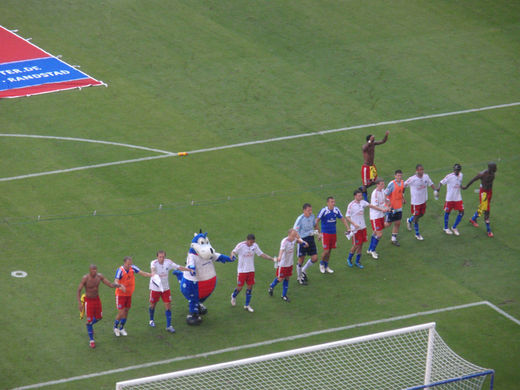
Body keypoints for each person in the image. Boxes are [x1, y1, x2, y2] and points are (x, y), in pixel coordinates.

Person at [77, 264, 124, 348]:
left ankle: (89, 324)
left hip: (97, 300)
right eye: (93, 270)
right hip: (89, 301)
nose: (94, 271)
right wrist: (79, 303)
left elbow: (109, 284)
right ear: (90, 270)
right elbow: (79, 290)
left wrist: (119, 285)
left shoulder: (99, 277)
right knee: (90, 320)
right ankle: (91, 340)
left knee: (99, 317)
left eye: (96, 269)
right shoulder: (85, 278)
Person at [230, 234, 276, 312]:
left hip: (251, 270)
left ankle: (247, 305)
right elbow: (233, 252)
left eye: (253, 242)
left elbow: (261, 254)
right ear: (247, 240)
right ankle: (233, 296)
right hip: (242, 271)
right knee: (240, 287)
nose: (252, 243)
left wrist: (271, 259)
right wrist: (232, 256)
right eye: (251, 242)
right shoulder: (241, 245)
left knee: (250, 287)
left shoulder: (255, 246)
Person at [149, 251, 192, 332]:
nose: (161, 258)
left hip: (165, 288)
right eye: (160, 257)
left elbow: (178, 267)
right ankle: (151, 320)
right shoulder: (154, 263)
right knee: (153, 305)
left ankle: (169, 326)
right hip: (155, 288)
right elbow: (153, 269)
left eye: (163, 257)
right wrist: (153, 273)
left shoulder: (168, 262)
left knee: (168, 305)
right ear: (157, 257)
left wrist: (189, 270)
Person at [345, 189, 388, 268]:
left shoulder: (363, 202)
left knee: (361, 244)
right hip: (356, 229)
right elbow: (347, 216)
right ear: (355, 196)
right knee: (356, 245)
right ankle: (349, 258)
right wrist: (354, 224)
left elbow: (371, 206)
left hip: (363, 227)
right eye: (359, 196)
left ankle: (357, 261)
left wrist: (382, 209)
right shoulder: (351, 205)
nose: (361, 197)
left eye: (361, 195)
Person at [113, 256, 152, 336]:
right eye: (128, 263)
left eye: (130, 263)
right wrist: (120, 285)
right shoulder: (120, 270)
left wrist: (152, 275)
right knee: (121, 312)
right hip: (120, 295)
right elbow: (115, 281)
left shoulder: (132, 268)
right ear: (124, 263)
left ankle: (122, 328)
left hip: (129, 294)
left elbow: (143, 273)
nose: (130, 265)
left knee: (126, 311)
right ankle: (115, 327)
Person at [268, 228, 307, 302]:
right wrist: (279, 257)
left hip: (290, 263)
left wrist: (304, 243)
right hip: (283, 264)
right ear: (289, 235)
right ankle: (271, 286)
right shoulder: (284, 241)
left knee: (287, 278)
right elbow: (281, 250)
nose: (294, 237)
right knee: (280, 279)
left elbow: (299, 241)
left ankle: (284, 295)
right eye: (293, 235)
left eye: (295, 235)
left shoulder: (294, 239)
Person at [315, 196, 350, 274]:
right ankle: (321, 264)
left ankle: (326, 266)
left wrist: (348, 228)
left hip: (333, 233)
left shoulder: (336, 210)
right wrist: (319, 233)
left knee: (330, 250)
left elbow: (343, 219)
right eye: (332, 202)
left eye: (334, 202)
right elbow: (316, 221)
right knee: (326, 251)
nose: (333, 203)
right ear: (328, 203)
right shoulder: (324, 211)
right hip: (325, 234)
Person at [462, 162, 497, 237]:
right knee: (487, 211)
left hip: (489, 192)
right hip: (484, 193)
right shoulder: (482, 174)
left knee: (483, 207)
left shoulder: (493, 174)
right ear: (491, 168)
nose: (496, 169)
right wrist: (466, 187)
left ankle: (473, 219)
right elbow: (473, 180)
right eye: (495, 167)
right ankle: (489, 230)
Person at [404, 164, 436, 240]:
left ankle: (409, 220)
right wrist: (402, 195)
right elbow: (404, 185)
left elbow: (431, 183)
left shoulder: (426, 176)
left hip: (423, 200)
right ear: (417, 171)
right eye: (420, 170)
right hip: (416, 202)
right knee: (416, 217)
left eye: (422, 169)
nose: (422, 171)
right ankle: (417, 234)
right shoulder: (412, 179)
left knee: (421, 214)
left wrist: (435, 190)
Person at [293, 203, 319, 285]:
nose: (310, 212)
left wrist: (319, 234)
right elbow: (295, 232)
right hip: (302, 239)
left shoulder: (312, 216)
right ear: (304, 210)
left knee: (315, 258)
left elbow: (315, 225)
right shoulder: (300, 219)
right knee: (301, 259)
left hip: (311, 238)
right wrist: (301, 241)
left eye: (311, 210)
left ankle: (303, 270)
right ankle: (299, 277)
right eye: (308, 210)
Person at [360, 131, 389, 201]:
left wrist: (386, 135)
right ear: (369, 140)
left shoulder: (373, 144)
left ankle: (363, 189)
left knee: (375, 181)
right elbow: (364, 148)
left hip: (372, 167)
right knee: (365, 185)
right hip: (366, 168)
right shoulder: (365, 146)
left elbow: (383, 141)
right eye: (372, 139)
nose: (374, 140)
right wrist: (370, 141)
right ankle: (365, 199)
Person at [437, 164, 464, 236]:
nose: (456, 171)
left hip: (458, 197)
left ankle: (454, 227)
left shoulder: (461, 175)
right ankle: (446, 228)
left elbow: (459, 183)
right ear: (453, 170)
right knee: (447, 212)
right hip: (450, 198)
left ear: (459, 170)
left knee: (462, 212)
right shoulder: (449, 176)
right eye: (455, 170)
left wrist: (462, 187)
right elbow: (441, 182)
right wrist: (438, 188)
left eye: (457, 170)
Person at [384, 169, 406, 246]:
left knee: (397, 222)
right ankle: (377, 229)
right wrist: (388, 203)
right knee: (388, 224)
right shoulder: (391, 184)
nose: (399, 177)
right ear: (395, 176)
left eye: (400, 175)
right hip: (392, 208)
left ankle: (393, 239)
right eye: (398, 175)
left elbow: (401, 192)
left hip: (399, 207)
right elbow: (385, 194)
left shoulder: (403, 183)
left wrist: (403, 199)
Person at [367, 178, 386, 259]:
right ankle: (372, 250)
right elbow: (374, 206)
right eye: (381, 184)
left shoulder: (382, 191)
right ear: (377, 185)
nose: (383, 185)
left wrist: (387, 206)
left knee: (375, 232)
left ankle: (369, 249)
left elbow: (385, 201)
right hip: (375, 216)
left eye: (383, 184)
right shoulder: (375, 194)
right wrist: (383, 209)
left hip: (381, 215)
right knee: (379, 234)